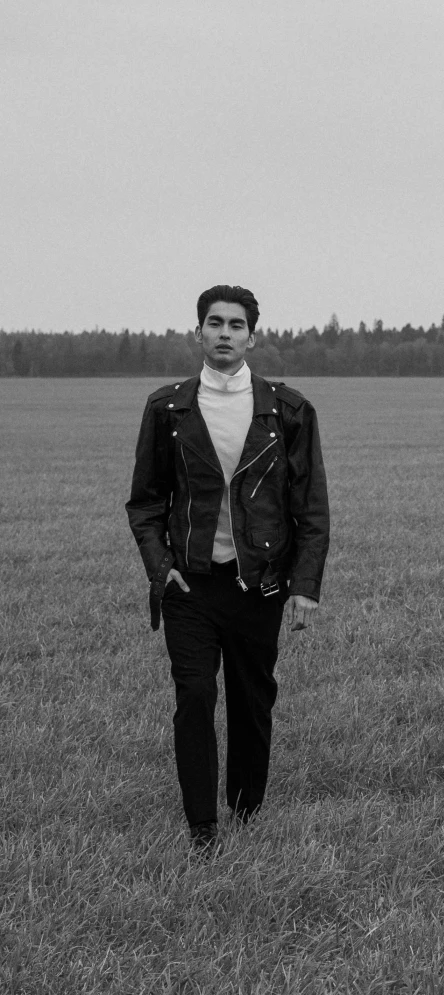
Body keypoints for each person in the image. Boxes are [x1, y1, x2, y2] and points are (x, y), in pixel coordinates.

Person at [126, 286, 330, 846]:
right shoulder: (167, 408)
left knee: (251, 700)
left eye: (236, 325)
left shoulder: (288, 411)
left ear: (252, 337)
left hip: (259, 586)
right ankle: (203, 829)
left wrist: (304, 585)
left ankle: (245, 812)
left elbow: (310, 507)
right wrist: (158, 566)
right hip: (189, 583)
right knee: (194, 695)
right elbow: (145, 502)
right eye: (214, 323)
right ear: (198, 333)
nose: (224, 333)